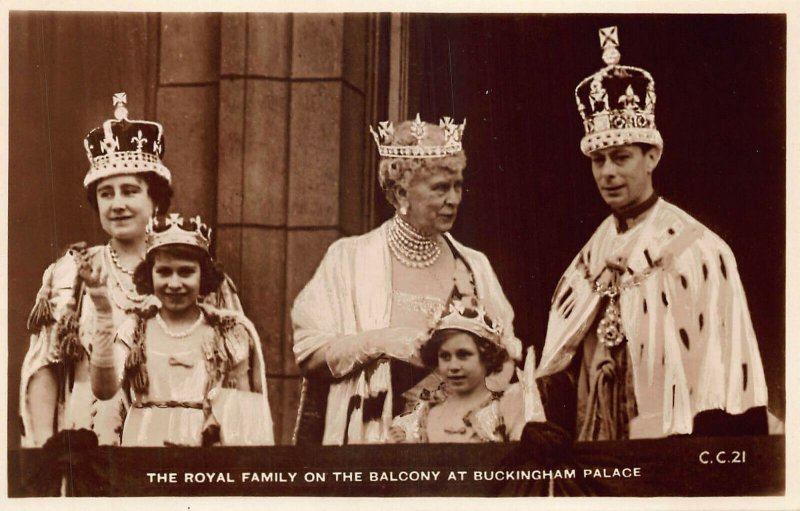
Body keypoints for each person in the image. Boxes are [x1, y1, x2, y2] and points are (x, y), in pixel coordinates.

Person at [533, 26, 769, 441]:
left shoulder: (701, 250)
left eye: (621, 158)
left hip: (673, 442)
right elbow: (561, 363)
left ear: (652, 156)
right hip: (598, 437)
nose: (607, 172)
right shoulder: (589, 254)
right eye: (598, 160)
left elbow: (727, 371)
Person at [19, 93, 240, 447]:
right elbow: (45, 366)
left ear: (155, 199)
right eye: (106, 194)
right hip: (85, 433)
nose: (118, 204)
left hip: (175, 432)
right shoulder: (72, 273)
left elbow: (233, 373)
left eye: (130, 191)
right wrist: (46, 447)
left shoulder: (194, 271)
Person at [291, 114, 527, 445]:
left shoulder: (474, 266)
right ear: (402, 191)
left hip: (458, 442)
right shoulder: (349, 258)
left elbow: (504, 360)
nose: (454, 199)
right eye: (441, 188)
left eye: (458, 185)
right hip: (371, 437)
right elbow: (311, 356)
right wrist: (381, 341)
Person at [85, 213, 274, 446]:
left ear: (203, 274)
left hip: (204, 462)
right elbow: (104, 391)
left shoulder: (228, 331)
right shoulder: (134, 330)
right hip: (142, 455)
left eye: (185, 272)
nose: (174, 284)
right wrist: (103, 312)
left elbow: (246, 416)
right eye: (164, 272)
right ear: (150, 274)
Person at [388, 297, 525, 443]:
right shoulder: (423, 416)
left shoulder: (503, 411)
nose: (453, 366)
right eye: (445, 356)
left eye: (463, 355)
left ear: (487, 357)